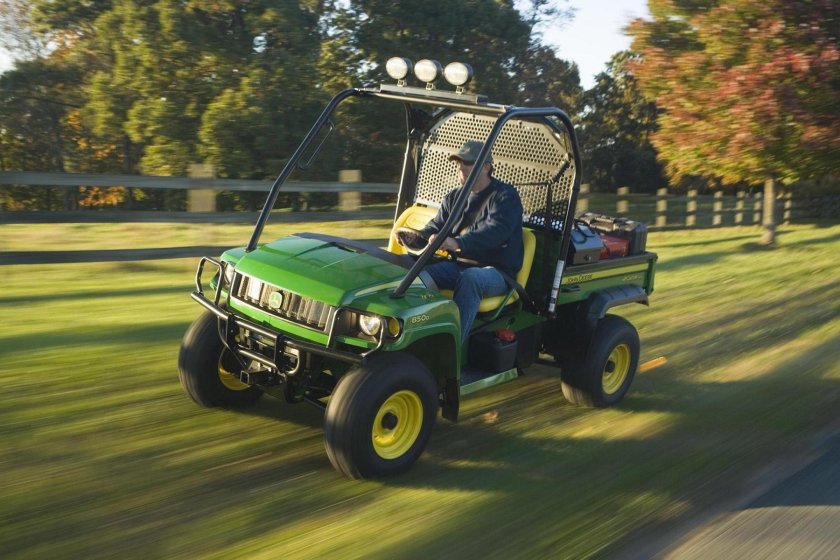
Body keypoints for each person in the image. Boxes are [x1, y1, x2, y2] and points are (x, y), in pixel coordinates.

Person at [418, 140, 524, 342]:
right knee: (417, 273)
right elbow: (437, 225)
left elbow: (495, 231)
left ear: (486, 167)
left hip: (496, 272)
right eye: (459, 162)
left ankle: (453, 348)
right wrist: (418, 236)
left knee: (472, 279)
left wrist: (458, 243)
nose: (460, 167)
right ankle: (422, 335)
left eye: (467, 162)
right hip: (458, 266)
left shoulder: (504, 196)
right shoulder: (455, 197)